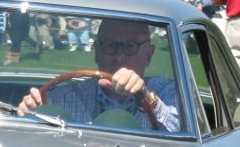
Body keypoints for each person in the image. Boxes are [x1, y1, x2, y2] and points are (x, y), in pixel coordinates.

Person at [17, 19, 179, 131]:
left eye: (130, 47)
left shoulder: (169, 92)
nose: (120, 56)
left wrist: (145, 96)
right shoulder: (61, 98)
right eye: (110, 46)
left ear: (148, 55)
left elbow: (181, 132)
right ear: (97, 52)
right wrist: (31, 113)